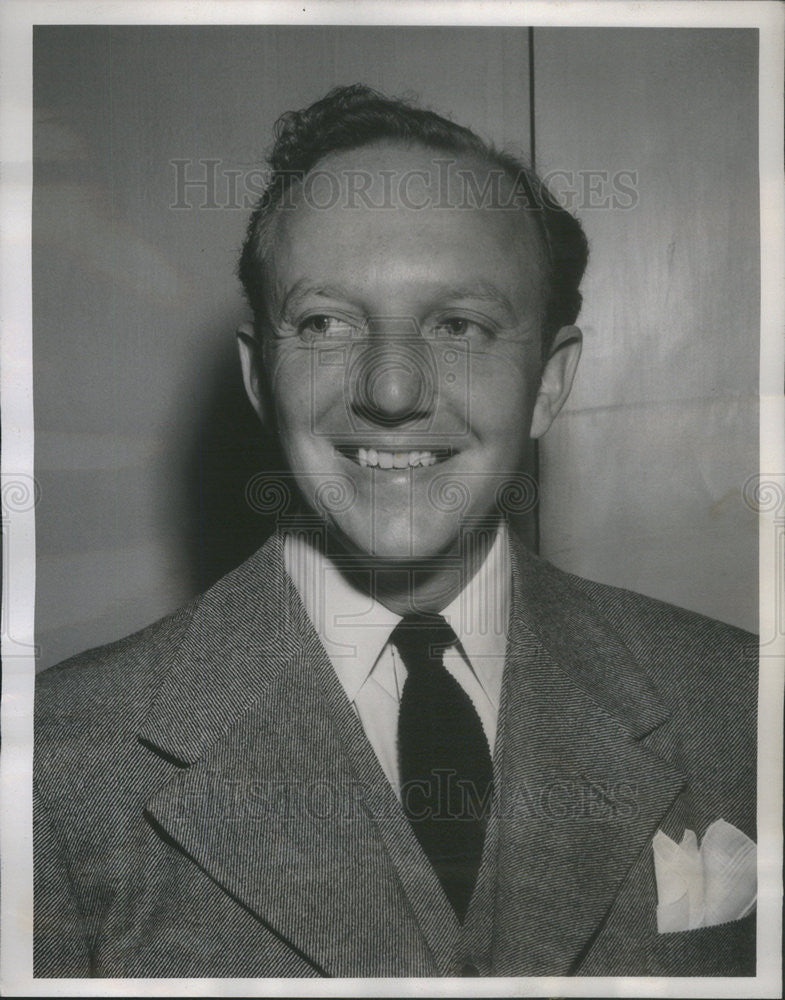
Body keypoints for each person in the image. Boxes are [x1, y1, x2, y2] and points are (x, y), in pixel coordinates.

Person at [34, 85, 757, 978]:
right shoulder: (53, 763)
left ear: (548, 381)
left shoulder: (743, 706)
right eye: (327, 323)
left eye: (459, 325)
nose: (390, 390)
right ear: (260, 376)